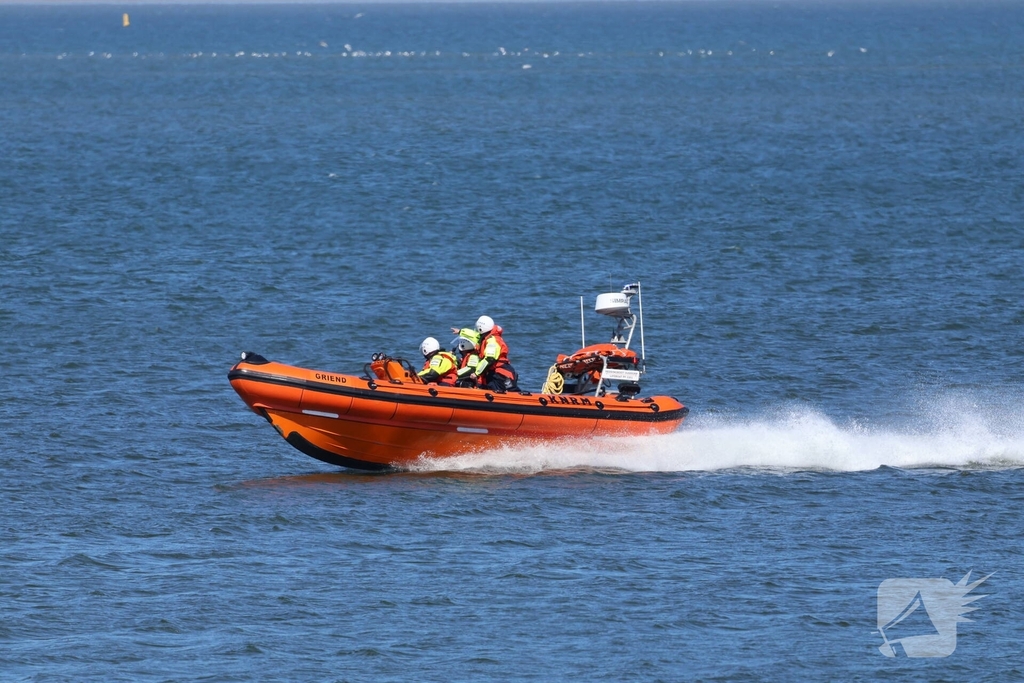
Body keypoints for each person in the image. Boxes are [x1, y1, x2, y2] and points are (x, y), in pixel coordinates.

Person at [467, 315, 519, 393]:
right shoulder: (488, 337)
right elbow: (473, 334)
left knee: (509, 392)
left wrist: (477, 373)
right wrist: (460, 331)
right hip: (494, 372)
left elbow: (489, 359)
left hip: (501, 373)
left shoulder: (492, 341)